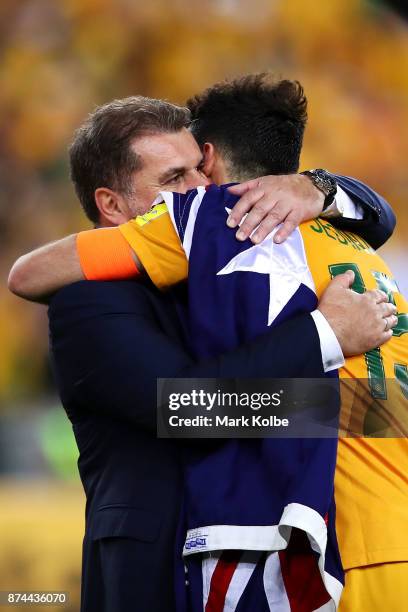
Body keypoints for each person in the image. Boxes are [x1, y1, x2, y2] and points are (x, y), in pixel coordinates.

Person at [8, 88, 398, 612]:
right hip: (157, 571)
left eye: (199, 169)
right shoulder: (88, 302)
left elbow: (376, 217)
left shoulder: (217, 272)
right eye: (174, 179)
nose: (203, 188)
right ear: (111, 204)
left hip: (243, 569)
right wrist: (324, 337)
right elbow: (187, 411)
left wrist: (316, 187)